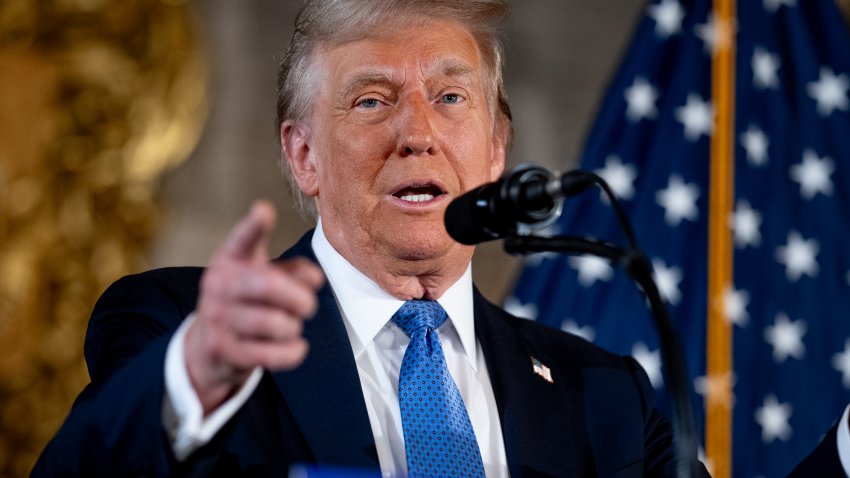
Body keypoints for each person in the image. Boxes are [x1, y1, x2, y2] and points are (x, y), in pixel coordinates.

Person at [30, 0, 843, 476]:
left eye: (451, 98)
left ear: (496, 150)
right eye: (373, 101)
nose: (418, 134)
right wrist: (195, 373)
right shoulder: (175, 329)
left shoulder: (605, 400)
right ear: (302, 154)